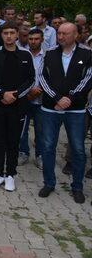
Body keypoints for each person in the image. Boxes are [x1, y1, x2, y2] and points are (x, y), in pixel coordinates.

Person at [37, 22, 92, 204]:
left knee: (77, 148)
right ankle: (49, 183)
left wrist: (70, 98)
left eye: (65, 34)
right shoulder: (49, 53)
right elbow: (42, 78)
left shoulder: (87, 54)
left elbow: (88, 78)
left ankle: (77, 187)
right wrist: (56, 98)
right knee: (47, 146)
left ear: (76, 35)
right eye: (59, 33)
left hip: (75, 109)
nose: (61, 37)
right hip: (50, 108)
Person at [0, 22, 35, 192]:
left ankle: (10, 174)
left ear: (17, 34)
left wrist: (15, 94)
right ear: (1, 35)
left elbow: (31, 79)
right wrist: (2, 93)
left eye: (12, 32)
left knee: (13, 141)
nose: (9, 36)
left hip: (18, 105)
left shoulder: (26, 54)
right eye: (6, 33)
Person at [19, 28, 45, 169]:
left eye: (36, 39)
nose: (33, 41)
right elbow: (18, 76)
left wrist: (39, 90)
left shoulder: (47, 56)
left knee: (40, 129)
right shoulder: (22, 55)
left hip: (41, 99)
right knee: (22, 128)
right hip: (25, 97)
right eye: (30, 39)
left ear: (42, 39)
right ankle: (23, 152)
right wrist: (28, 92)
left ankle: (40, 155)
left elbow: (49, 76)